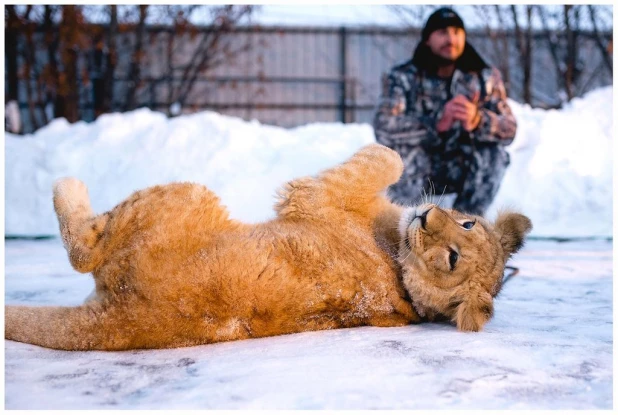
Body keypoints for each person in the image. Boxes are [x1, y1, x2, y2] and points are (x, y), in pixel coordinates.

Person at [373, 7, 517, 215]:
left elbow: (510, 129)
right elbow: (384, 127)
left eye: (457, 32)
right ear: (427, 40)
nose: (451, 39)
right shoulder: (402, 76)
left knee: (495, 154)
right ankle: (402, 226)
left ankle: (465, 226)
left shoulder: (484, 77)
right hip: (418, 164)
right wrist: (436, 124)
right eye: (442, 33)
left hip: (461, 165)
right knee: (399, 156)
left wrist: (478, 120)